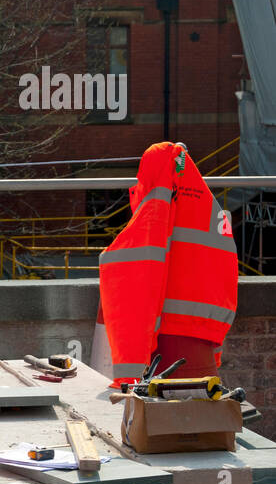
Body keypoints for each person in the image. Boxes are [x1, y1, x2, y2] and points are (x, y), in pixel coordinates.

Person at [98, 141, 237, 387]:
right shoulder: (212, 212)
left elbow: (134, 259)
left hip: (166, 354)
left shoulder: (157, 212)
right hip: (202, 349)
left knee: (162, 420)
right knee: (206, 419)